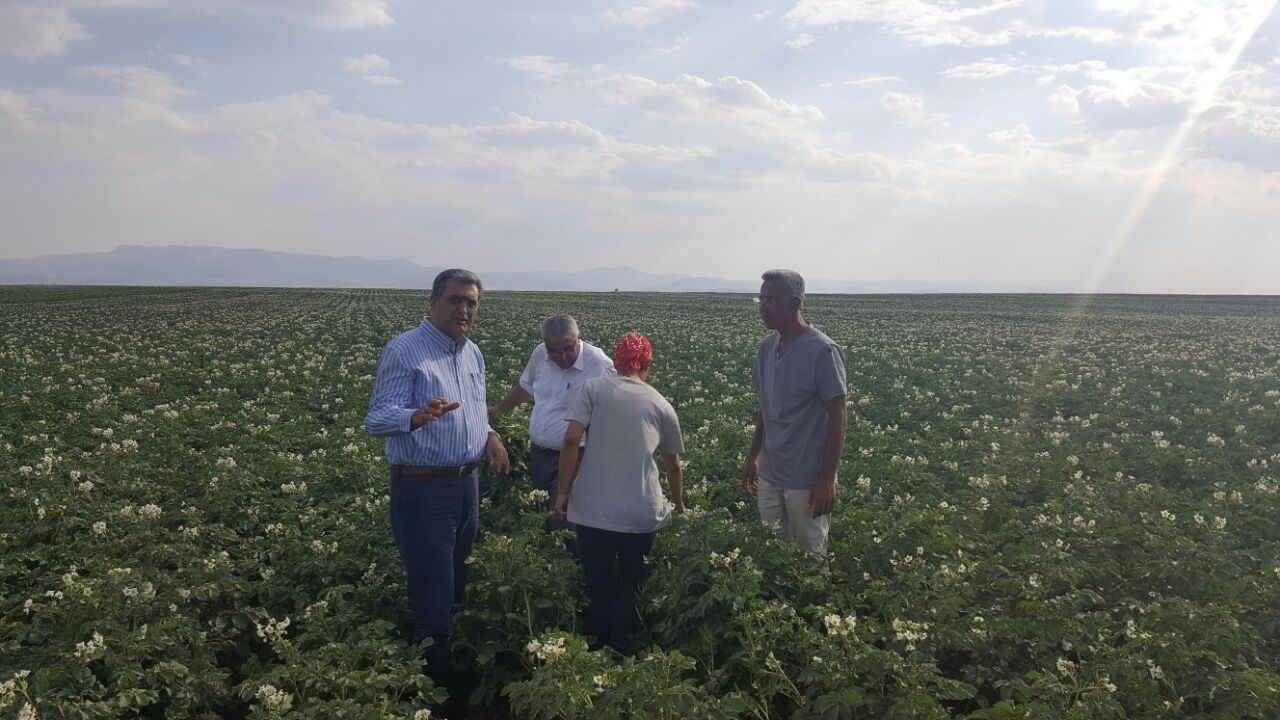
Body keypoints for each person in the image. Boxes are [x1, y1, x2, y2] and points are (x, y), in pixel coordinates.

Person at [364, 268, 511, 683]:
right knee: (434, 589)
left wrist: (490, 436)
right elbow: (376, 417)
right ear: (432, 303)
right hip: (423, 486)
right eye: (455, 300)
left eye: (471, 303)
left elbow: (475, 410)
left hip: (467, 484)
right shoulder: (406, 349)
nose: (464, 309)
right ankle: (433, 685)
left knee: (458, 578)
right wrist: (415, 416)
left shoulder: (472, 353)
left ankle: (448, 671)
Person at [551, 332, 684, 651]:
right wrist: (679, 504)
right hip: (641, 511)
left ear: (617, 360)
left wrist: (562, 495)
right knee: (631, 582)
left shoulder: (592, 388)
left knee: (597, 580)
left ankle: (595, 648)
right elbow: (674, 465)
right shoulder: (660, 403)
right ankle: (626, 650)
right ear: (647, 364)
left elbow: (571, 440)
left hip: (593, 509)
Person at [741, 269, 847, 555]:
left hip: (807, 478)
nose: (763, 306)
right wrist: (754, 456)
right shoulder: (766, 349)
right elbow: (765, 409)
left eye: (772, 299)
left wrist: (826, 480)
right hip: (771, 473)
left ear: (795, 303)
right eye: (761, 298)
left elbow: (838, 417)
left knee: (809, 555)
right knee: (772, 553)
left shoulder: (823, 351)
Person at [488, 314, 615, 512]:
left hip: (576, 457)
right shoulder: (540, 354)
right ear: (545, 344)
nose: (562, 356)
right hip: (540, 454)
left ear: (578, 338)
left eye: (568, 348)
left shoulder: (598, 363)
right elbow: (526, 388)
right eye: (554, 350)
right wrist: (498, 410)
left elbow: (612, 411)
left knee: (563, 517)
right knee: (542, 511)